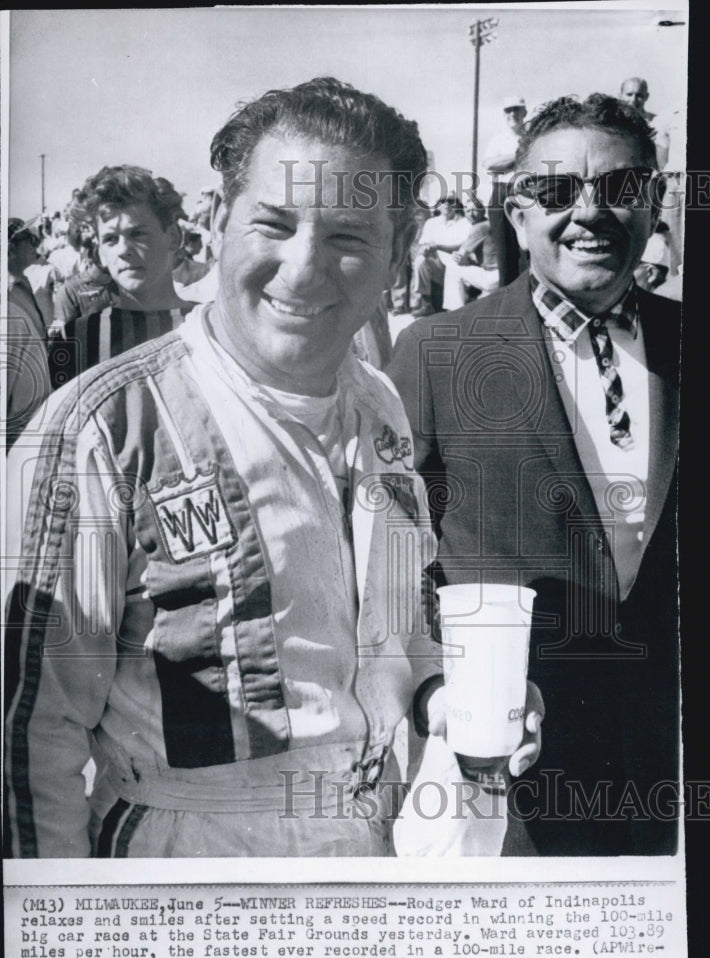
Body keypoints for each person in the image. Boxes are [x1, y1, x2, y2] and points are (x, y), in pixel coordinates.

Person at [4, 77, 542, 860]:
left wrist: (447, 697)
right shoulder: (99, 430)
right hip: (186, 879)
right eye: (275, 224)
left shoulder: (381, 408)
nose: (302, 269)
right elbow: (26, 738)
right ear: (218, 222)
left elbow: (400, 632)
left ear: (396, 253)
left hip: (373, 853)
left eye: (349, 238)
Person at [389, 93, 679, 856]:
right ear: (516, 214)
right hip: (507, 760)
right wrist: (442, 695)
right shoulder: (435, 352)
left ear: (654, 203)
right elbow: (391, 549)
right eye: (556, 192)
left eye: (619, 190)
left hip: (672, 767)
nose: (590, 214)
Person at [47, 166, 196, 389]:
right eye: (110, 239)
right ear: (101, 254)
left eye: (137, 234)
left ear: (174, 237)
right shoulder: (76, 339)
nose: (123, 249)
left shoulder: (208, 325)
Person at [5, 218, 52, 448]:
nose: (35, 243)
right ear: (10, 249)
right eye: (28, 239)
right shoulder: (7, 299)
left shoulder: (22, 283)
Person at [482, 96, 527, 287]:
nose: (512, 114)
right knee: (504, 252)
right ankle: (508, 301)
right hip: (501, 192)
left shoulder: (532, 138)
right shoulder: (498, 140)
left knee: (529, 249)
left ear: (524, 112)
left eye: (516, 109)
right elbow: (489, 165)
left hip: (526, 191)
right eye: (508, 110)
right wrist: (519, 156)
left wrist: (504, 162)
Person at [409, 193, 472, 317]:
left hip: (458, 264)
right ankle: (427, 304)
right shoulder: (431, 223)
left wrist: (438, 246)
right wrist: (425, 249)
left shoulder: (464, 222)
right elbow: (424, 243)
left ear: (456, 205)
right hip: (439, 267)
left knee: (455, 265)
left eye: (451, 201)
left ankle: (458, 308)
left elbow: (465, 244)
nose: (447, 204)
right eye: (443, 201)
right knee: (420, 260)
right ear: (438, 206)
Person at [442, 198, 498, 309]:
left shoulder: (479, 227)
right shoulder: (488, 224)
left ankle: (455, 311)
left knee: (452, 267)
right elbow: (463, 246)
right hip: (501, 275)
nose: (471, 214)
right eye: (468, 211)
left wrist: (457, 256)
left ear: (483, 210)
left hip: (493, 278)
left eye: (475, 210)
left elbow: (460, 258)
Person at [619, 77, 671, 169]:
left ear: (646, 97)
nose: (633, 99)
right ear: (620, 96)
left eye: (639, 95)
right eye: (629, 94)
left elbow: (664, 161)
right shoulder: (613, 122)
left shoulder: (657, 122)